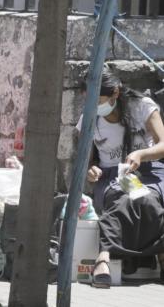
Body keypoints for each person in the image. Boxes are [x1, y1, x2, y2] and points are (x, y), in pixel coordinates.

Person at [76, 68, 164, 288]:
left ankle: (158, 255)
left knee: (148, 198)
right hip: (112, 176)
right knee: (120, 198)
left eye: (99, 99)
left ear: (115, 92)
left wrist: (141, 154)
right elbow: (86, 161)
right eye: (89, 100)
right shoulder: (88, 119)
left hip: (149, 170)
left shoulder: (142, 106)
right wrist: (92, 170)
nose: (94, 105)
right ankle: (103, 258)